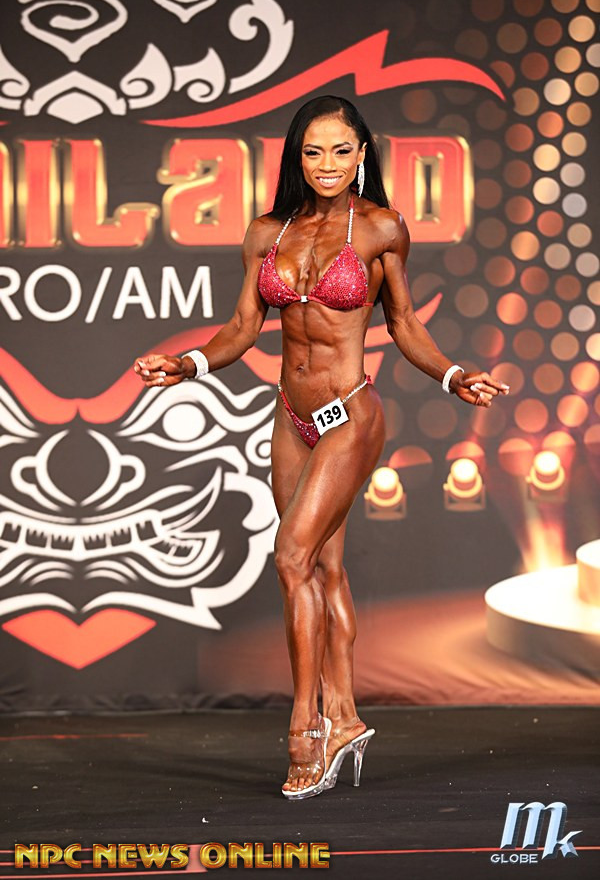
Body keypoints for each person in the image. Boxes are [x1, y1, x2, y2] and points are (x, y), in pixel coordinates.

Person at [134, 95, 509, 800]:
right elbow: (242, 327)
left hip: (350, 415)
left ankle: (304, 726)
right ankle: (347, 715)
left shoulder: (381, 228)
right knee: (323, 570)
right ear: (297, 158)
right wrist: (187, 364)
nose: (327, 163)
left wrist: (453, 374)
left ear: (362, 154)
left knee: (291, 557)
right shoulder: (267, 232)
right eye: (313, 151)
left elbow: (403, 322)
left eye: (341, 150)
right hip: (291, 417)